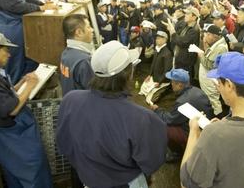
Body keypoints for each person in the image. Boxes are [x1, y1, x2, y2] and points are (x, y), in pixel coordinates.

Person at [56, 41, 167, 188]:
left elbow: (63, 144)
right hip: (124, 183)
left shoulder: (71, 99)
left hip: (87, 179)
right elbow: (152, 162)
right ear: (129, 74)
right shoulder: (143, 118)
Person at [180, 52, 244, 188]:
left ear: (230, 85)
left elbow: (187, 184)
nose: (217, 86)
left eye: (219, 82)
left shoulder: (214, 135)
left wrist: (194, 132)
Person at [0, 31, 53, 187]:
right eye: (5, 50)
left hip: (15, 137)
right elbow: (11, 109)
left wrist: (21, 84)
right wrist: (31, 86)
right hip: (14, 140)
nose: (9, 55)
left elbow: (3, 97)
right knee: (31, 173)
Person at [150, 68, 213, 161]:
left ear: (180, 85)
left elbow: (169, 119)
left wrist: (157, 110)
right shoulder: (197, 90)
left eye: (172, 82)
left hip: (195, 131)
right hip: (206, 128)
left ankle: (176, 153)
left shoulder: (182, 101)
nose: (171, 84)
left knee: (163, 126)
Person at [197, 24, 228, 116]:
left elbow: (210, 65)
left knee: (214, 102)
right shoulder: (216, 44)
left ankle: (217, 118)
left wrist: (201, 55)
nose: (205, 37)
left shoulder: (220, 48)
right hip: (208, 79)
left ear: (214, 36)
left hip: (211, 80)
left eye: (207, 35)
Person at [59, 14, 95, 96]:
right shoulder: (84, 61)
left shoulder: (65, 53)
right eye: (88, 27)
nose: (92, 30)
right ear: (78, 32)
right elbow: (93, 93)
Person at [164, 7, 200, 78]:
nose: (185, 15)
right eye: (185, 13)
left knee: (184, 82)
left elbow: (182, 42)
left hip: (186, 62)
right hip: (180, 58)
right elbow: (179, 37)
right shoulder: (186, 25)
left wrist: (172, 31)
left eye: (187, 14)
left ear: (194, 17)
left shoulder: (194, 30)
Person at [140, 31, 173, 102]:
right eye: (157, 38)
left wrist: (160, 82)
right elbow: (153, 64)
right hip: (154, 77)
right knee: (143, 89)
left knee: (150, 99)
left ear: (165, 40)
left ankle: (164, 90)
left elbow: (167, 70)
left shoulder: (167, 53)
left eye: (160, 38)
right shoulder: (157, 49)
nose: (157, 40)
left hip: (162, 80)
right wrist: (149, 75)